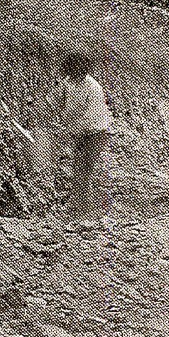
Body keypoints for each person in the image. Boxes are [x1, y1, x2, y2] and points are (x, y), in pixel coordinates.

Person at [46, 51, 113, 218]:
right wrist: (41, 115)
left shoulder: (93, 87)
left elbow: (91, 117)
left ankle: (84, 213)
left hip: (97, 132)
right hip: (78, 131)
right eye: (72, 71)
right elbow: (51, 102)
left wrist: (68, 132)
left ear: (84, 71)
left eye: (79, 72)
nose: (75, 74)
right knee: (77, 169)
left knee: (85, 169)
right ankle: (78, 207)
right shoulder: (66, 83)